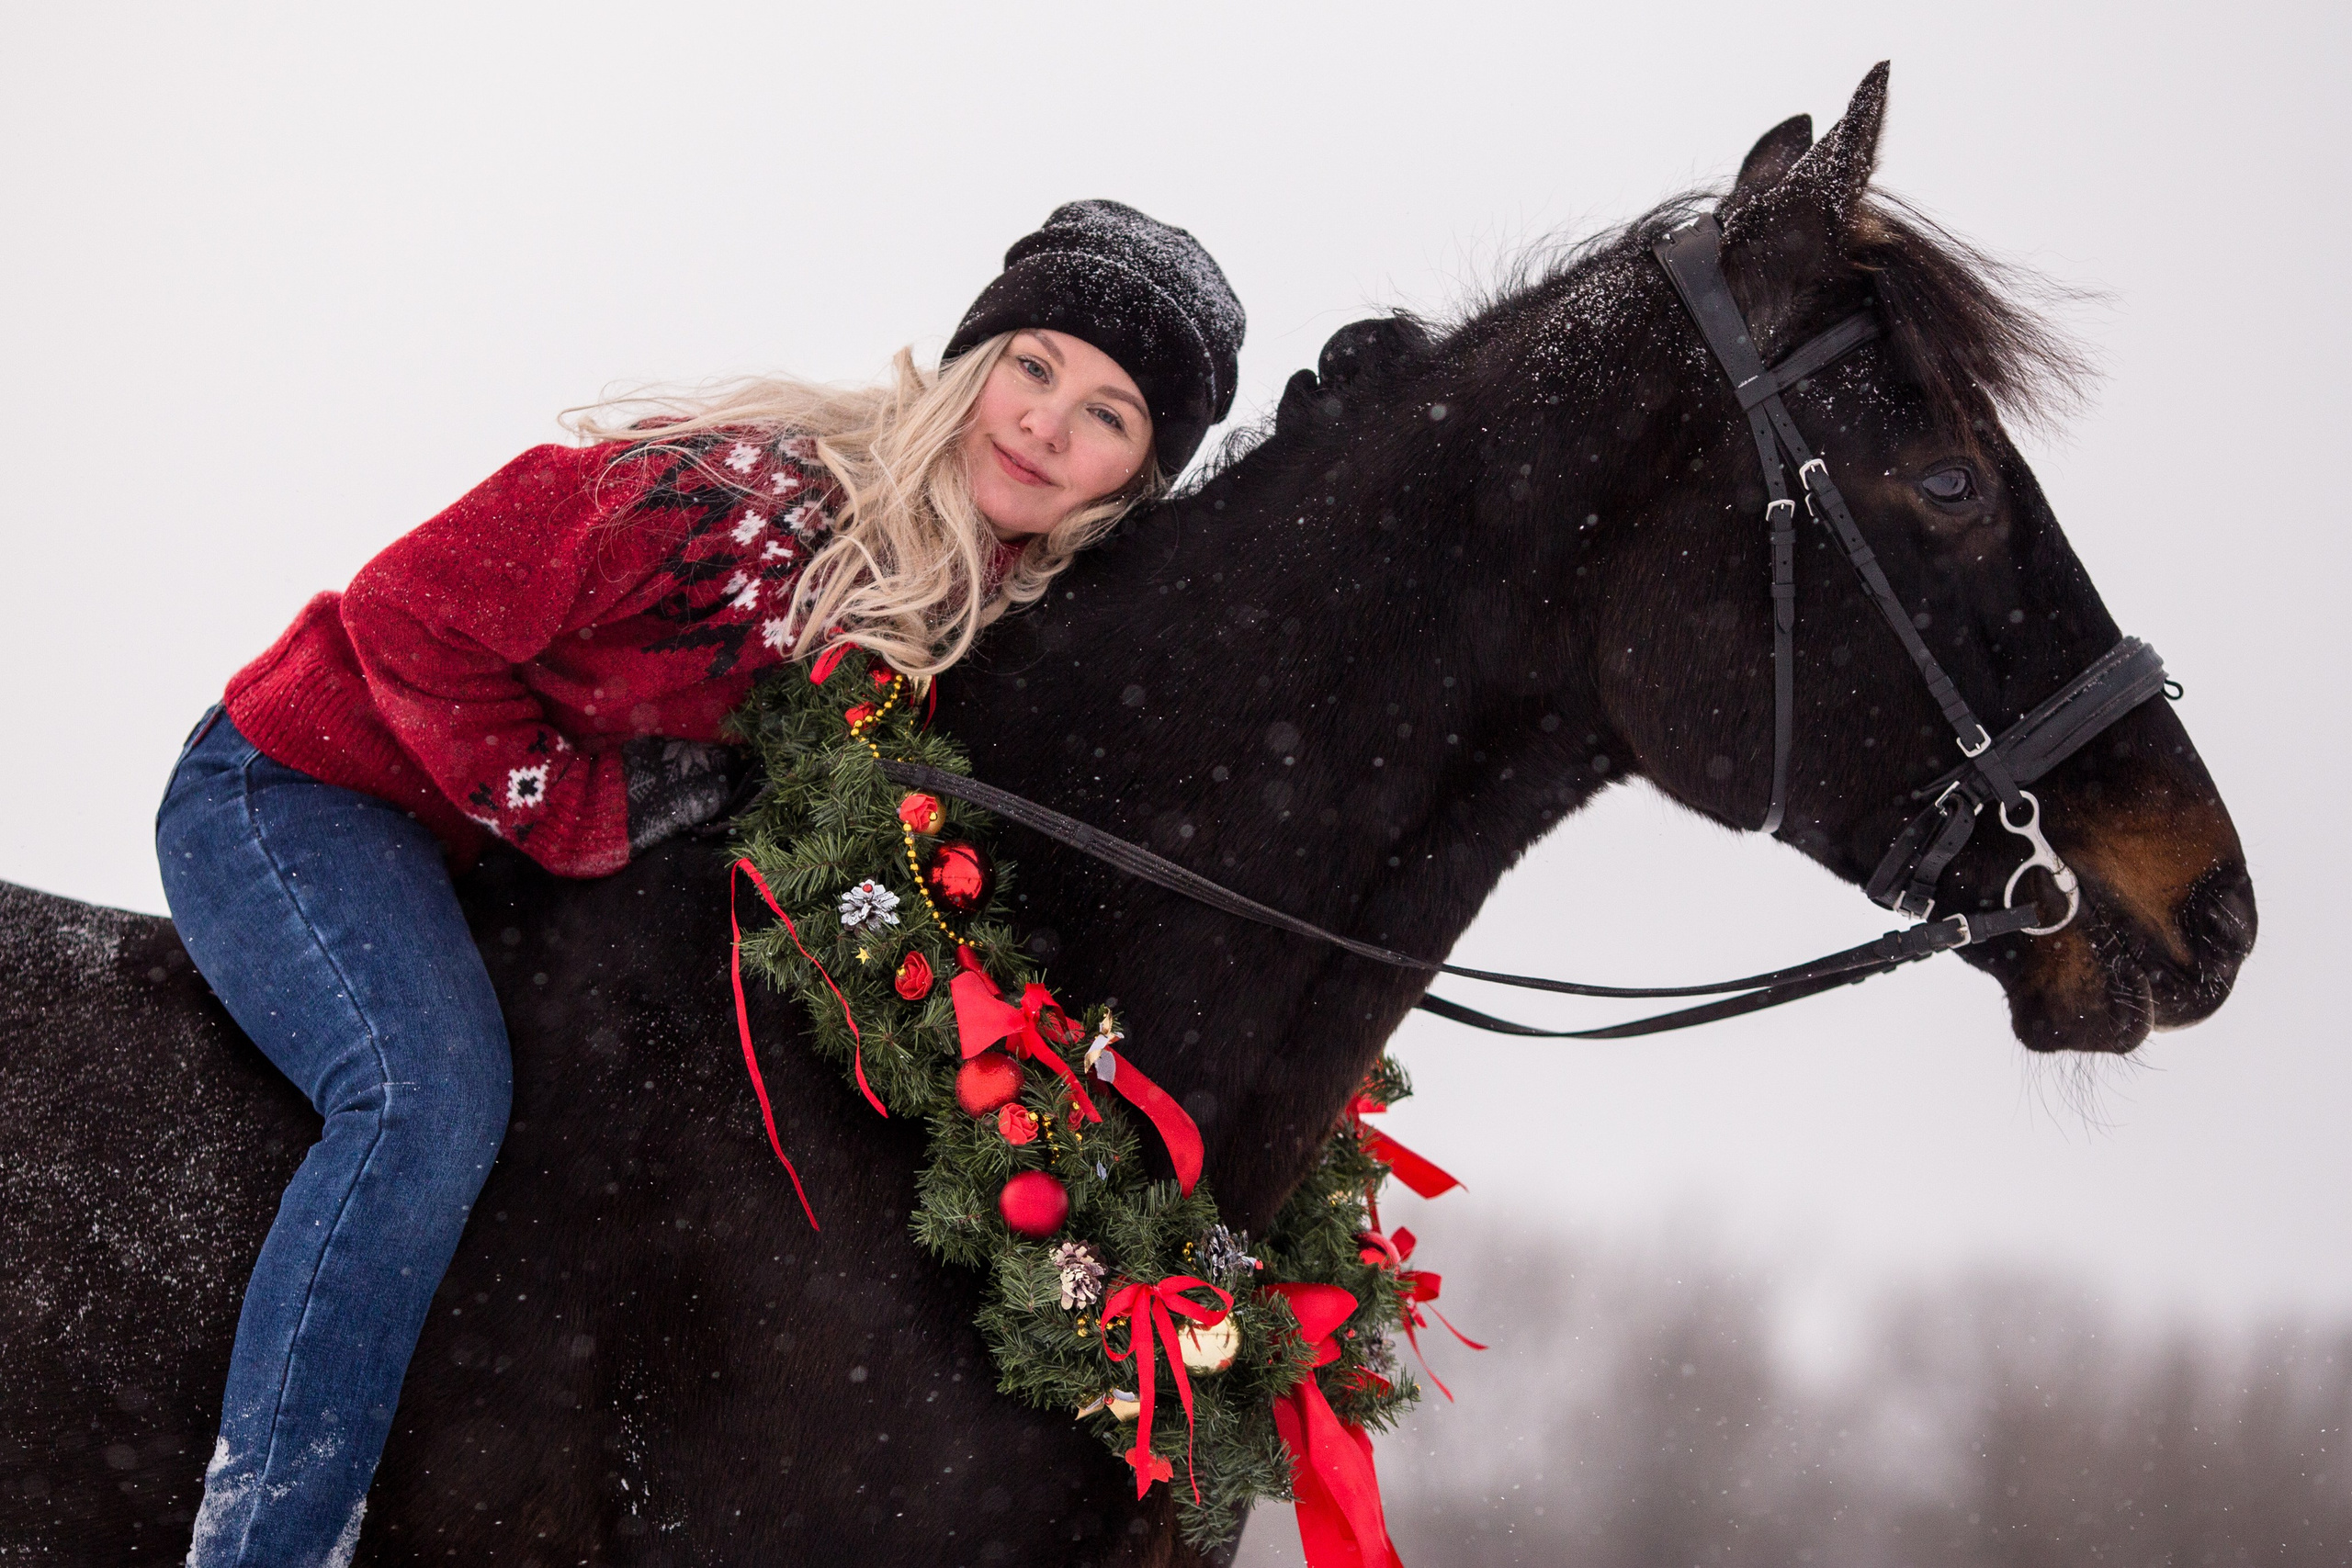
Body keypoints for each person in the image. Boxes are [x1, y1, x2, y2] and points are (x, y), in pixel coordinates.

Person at [153, 199, 1244, 1566]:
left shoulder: (970, 631)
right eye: (1034, 365)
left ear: (1126, 486)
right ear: (976, 362)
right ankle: (263, 1543)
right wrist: (584, 805)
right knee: (426, 1102)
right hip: (309, 786)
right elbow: (405, 612)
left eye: (1107, 414)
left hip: (483, 871)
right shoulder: (740, 510)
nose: (1043, 423)